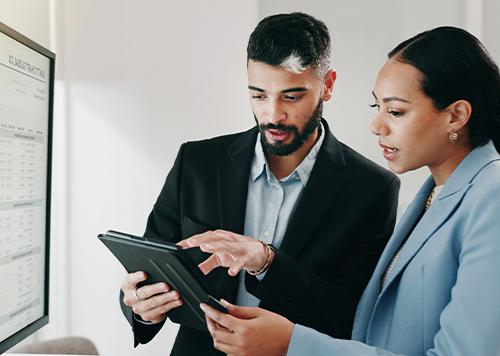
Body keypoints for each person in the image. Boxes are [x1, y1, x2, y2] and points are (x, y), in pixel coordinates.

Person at [199, 26, 500, 356]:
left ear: (456, 115)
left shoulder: (491, 197)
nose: (376, 126)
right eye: (377, 108)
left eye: (396, 111)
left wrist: (292, 343)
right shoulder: (434, 197)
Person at [119, 12, 400, 356]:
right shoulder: (197, 163)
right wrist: (140, 307)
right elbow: (151, 268)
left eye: (292, 97)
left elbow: (354, 316)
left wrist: (267, 262)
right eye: (258, 95)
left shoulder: (372, 188)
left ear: (327, 84)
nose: (273, 114)